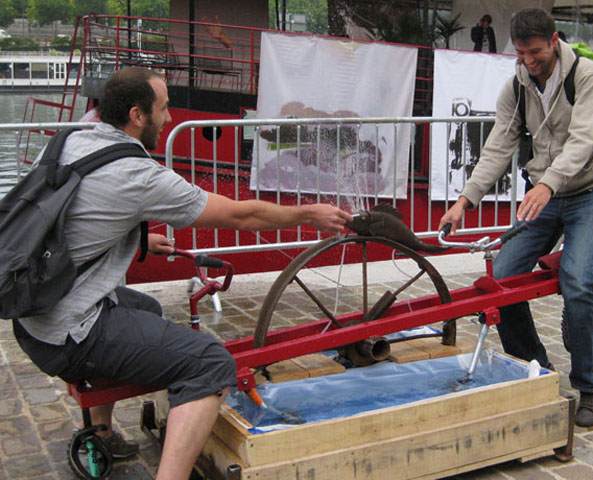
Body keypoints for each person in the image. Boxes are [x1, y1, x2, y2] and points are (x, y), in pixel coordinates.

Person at [12, 67, 351, 479]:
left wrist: (135, 240)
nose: (170, 118)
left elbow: (75, 216)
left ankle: (100, 432)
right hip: (69, 332)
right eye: (164, 108)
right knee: (211, 363)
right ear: (137, 116)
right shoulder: (137, 174)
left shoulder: (77, 138)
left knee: (146, 309)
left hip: (34, 318)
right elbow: (240, 215)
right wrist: (307, 213)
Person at [439, 8, 593, 428]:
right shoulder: (516, 87)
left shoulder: (586, 75)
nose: (528, 60)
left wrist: (547, 183)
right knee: (500, 280)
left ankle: (591, 384)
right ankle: (535, 369)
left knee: (578, 279)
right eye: (521, 53)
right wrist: (465, 200)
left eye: (535, 51)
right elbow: (499, 145)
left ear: (553, 41)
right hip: (548, 194)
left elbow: (584, 138)